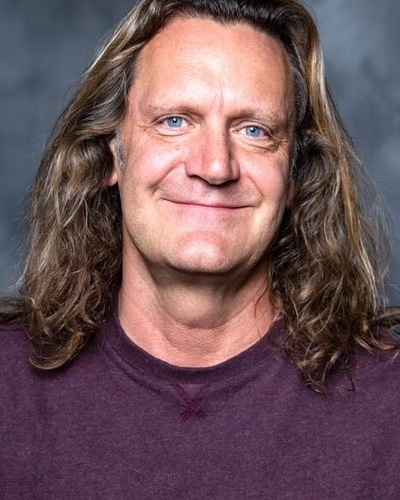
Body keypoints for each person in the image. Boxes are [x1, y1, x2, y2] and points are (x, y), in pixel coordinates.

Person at [1, 0, 399, 498]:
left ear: (295, 175)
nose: (215, 167)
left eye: (254, 130)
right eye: (174, 121)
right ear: (111, 153)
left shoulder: (390, 405)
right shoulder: (8, 390)